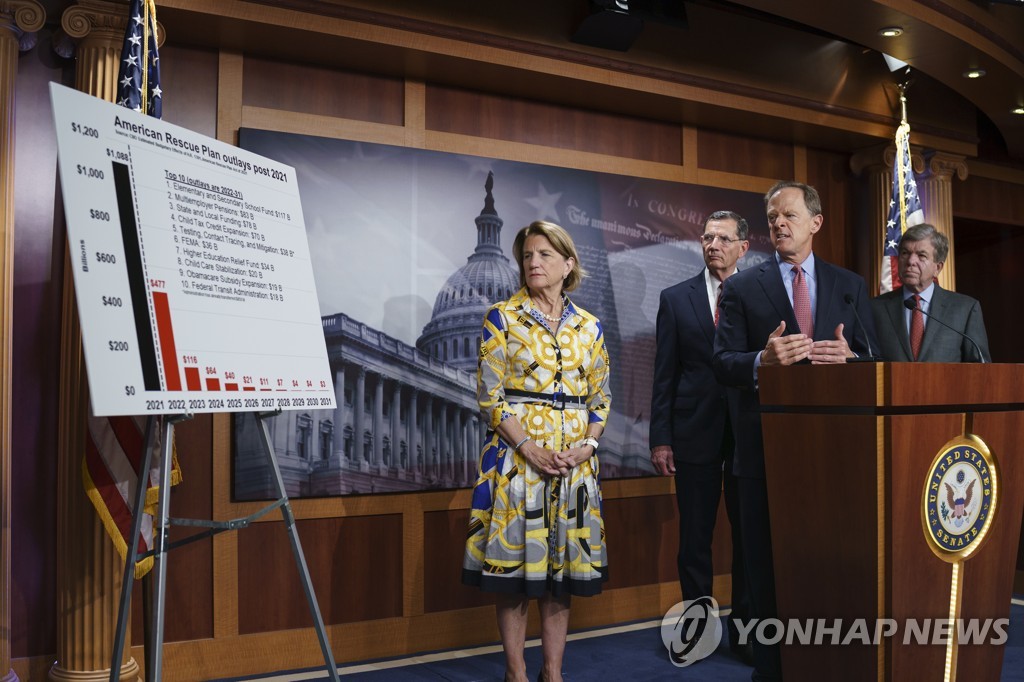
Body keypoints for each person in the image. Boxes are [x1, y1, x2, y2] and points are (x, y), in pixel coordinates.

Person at [712, 181, 878, 681]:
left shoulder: (849, 284)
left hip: (837, 458)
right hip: (764, 458)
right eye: (771, 218)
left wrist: (851, 359)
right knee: (769, 577)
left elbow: (874, 358)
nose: (779, 224)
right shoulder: (742, 286)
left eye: (788, 215)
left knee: (831, 574)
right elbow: (721, 363)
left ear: (815, 222)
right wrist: (762, 360)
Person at [462, 220, 612, 682]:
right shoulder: (502, 316)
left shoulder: (590, 327)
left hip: (574, 469)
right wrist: (528, 446)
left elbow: (600, 397)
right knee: (514, 579)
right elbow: (490, 396)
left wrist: (587, 446)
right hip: (516, 465)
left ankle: (553, 672)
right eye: (527, 255)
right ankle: (516, 674)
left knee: (559, 579)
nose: (533, 262)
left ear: (568, 264)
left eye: (545, 254)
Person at [649, 210, 752, 664]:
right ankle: (697, 629)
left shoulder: (759, 291)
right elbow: (664, 375)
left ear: (742, 247)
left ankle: (749, 635)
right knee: (694, 538)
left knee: (750, 537)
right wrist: (660, 438)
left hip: (750, 433)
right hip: (693, 434)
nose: (713, 245)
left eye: (723, 238)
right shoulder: (676, 299)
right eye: (707, 237)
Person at [870, 223, 990, 362]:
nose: (910, 261)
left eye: (921, 255)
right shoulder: (875, 308)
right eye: (905, 253)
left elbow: (980, 368)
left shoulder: (965, 309)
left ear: (937, 268)